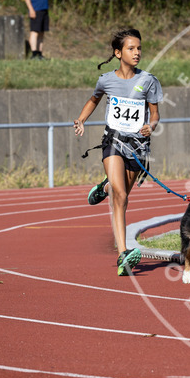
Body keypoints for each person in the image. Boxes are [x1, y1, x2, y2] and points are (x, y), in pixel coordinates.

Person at [73, 27, 162, 275]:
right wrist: (81, 119)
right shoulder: (106, 80)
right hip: (113, 141)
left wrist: (151, 126)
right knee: (120, 197)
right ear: (118, 52)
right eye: (131, 48)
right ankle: (123, 253)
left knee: (121, 192)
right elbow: (94, 99)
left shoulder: (148, 81)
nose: (137, 53)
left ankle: (104, 187)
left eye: (139, 48)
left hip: (138, 146)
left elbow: (154, 113)